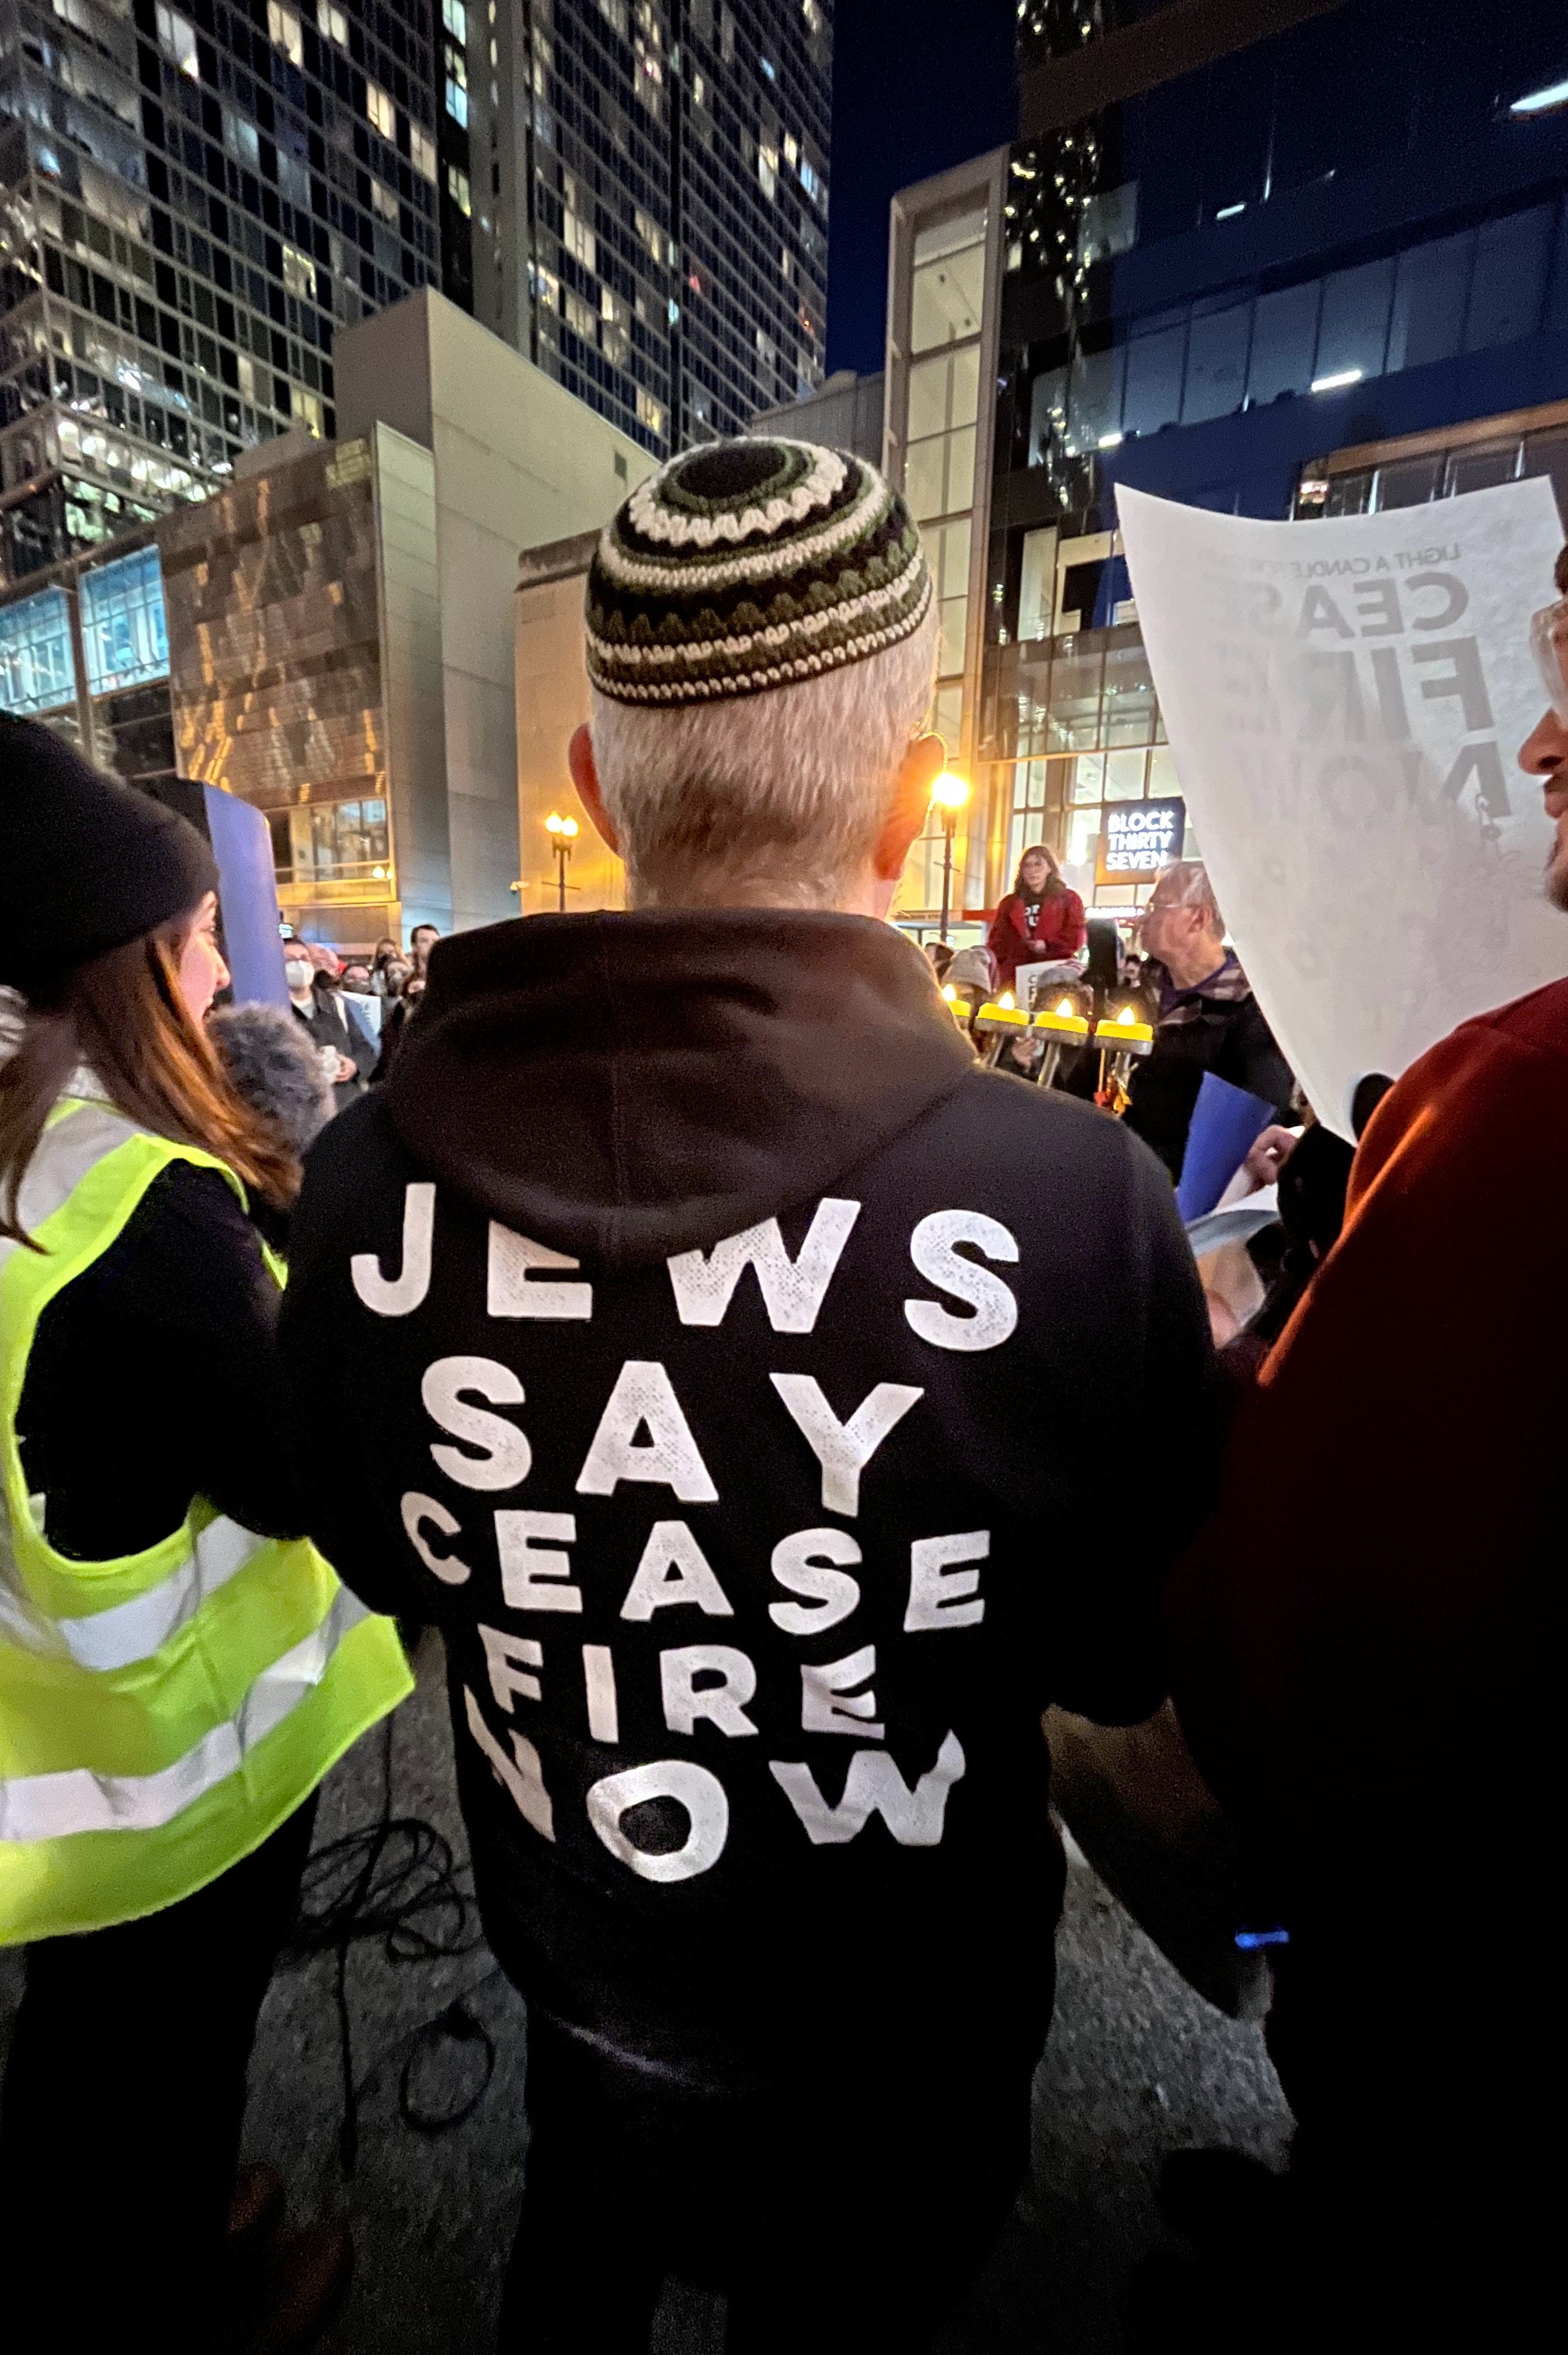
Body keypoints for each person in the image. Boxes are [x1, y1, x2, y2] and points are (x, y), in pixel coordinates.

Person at [279, 436, 1218, 2353]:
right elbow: (1121, 1668)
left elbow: (390, 1559)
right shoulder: (1074, 1209)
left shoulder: (365, 1197)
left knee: (582, 2244)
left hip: (587, 1971)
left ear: (592, 783)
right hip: (912, 2032)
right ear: (903, 798)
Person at [1157, 548, 1568, 2348]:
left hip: (1461, 1906)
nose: (1545, 745)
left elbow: (1314, 1570)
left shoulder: (1525, 1098)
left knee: (1414, 2153)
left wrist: (1220, 1371)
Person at [0, 719, 411, 2351]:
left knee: (83, 2045)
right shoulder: (139, 1197)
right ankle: (157, 2287)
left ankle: (120, 2221)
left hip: (48, 1746)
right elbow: (288, 1472)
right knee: (150, 2044)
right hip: (173, 1775)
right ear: (124, 968)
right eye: (198, 941)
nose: (225, 971)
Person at [1124, 861, 1294, 1182]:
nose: (1144, 916)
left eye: (1158, 906)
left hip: (1182, 1184)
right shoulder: (1133, 992)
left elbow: (1253, 1119)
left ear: (1199, 918)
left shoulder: (1251, 1009)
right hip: (1113, 1164)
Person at [986, 844, 1086, 998]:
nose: (1032, 871)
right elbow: (997, 939)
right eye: (1027, 866)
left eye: (1038, 864)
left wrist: (1048, 945)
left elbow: (1075, 934)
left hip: (1055, 970)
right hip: (1014, 973)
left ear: (1050, 868)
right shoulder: (1010, 903)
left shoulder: (1069, 899)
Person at [284, 941, 373, 1113]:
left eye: (304, 958)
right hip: (304, 1110)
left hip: (345, 1106)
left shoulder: (336, 1005)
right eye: (290, 960)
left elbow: (365, 1048)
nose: (299, 964)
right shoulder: (276, 1011)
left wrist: (354, 1065)